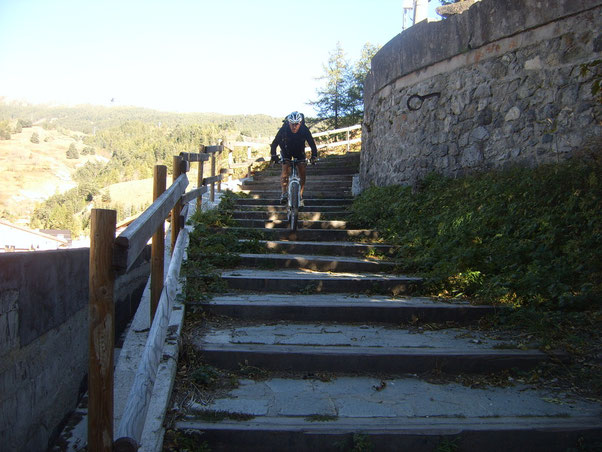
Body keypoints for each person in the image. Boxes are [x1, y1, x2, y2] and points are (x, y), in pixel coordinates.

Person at [270, 111, 318, 207]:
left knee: (302, 171)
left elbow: (312, 143)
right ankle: (284, 193)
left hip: (299, 151)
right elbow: (275, 143)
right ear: (289, 123)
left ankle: (300, 195)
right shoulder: (284, 129)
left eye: (297, 124)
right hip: (286, 151)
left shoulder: (304, 129)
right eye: (292, 124)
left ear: (300, 123)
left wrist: (314, 156)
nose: (294, 127)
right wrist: (274, 156)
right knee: (285, 170)